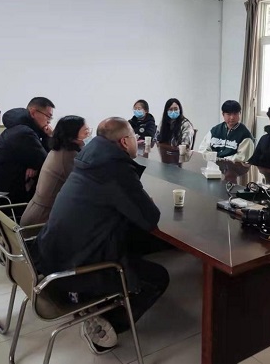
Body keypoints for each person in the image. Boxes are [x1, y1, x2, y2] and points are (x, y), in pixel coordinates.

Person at [34, 117, 169, 355]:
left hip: (51, 255)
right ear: (124, 141)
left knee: (135, 240)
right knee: (157, 277)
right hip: (73, 269)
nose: (136, 141)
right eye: (134, 138)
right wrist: (141, 202)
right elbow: (150, 218)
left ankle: (104, 301)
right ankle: (106, 323)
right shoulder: (114, 170)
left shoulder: (89, 160)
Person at [0, 97, 55, 204]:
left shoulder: (18, 128)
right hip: (2, 196)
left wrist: (33, 164)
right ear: (33, 112)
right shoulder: (24, 133)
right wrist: (49, 136)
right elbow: (46, 164)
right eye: (48, 116)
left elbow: (36, 158)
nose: (49, 121)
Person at [19, 116, 90, 226]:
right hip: (43, 220)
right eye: (86, 131)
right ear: (73, 135)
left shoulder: (60, 149)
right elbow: (85, 187)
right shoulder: (68, 156)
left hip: (39, 213)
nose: (89, 135)